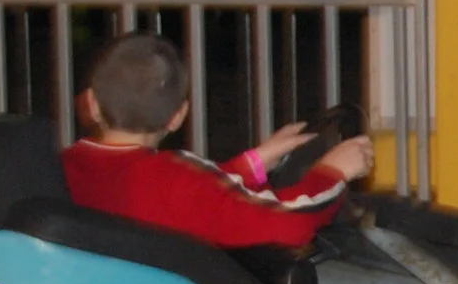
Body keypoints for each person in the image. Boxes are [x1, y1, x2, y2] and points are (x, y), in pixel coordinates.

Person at [60, 32, 375, 249]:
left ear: (91, 103)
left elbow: (199, 199)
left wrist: (253, 164)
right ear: (178, 117)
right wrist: (333, 172)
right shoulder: (175, 178)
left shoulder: (62, 167)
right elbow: (290, 224)